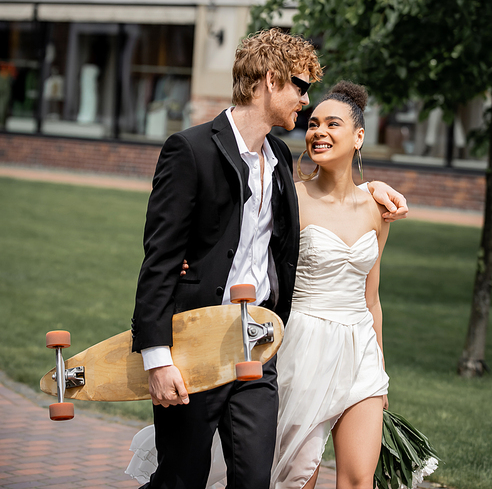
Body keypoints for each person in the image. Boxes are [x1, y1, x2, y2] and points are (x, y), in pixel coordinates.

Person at [130, 29, 408, 489]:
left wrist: (372, 188)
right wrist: (158, 359)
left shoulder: (279, 158)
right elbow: (159, 261)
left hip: (260, 347)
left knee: (257, 479)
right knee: (182, 478)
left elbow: (320, 216)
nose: (304, 100)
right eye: (300, 87)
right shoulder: (191, 149)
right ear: (270, 79)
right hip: (198, 342)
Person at [272, 81, 390, 489]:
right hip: (303, 345)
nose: (318, 131)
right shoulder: (291, 198)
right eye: (313, 123)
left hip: (360, 349)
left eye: (332, 124)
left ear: (359, 136)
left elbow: (371, 297)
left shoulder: (378, 208)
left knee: (359, 480)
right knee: (297, 477)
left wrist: (381, 367)